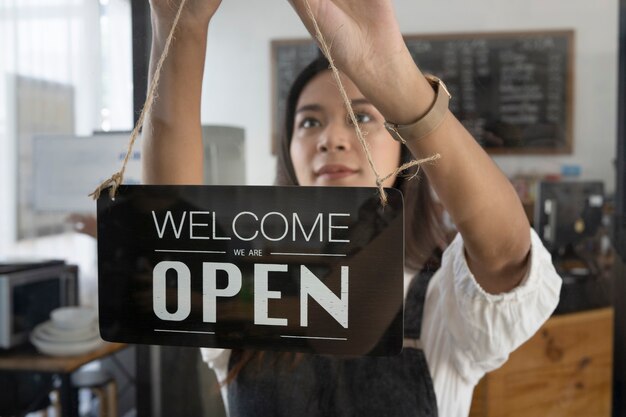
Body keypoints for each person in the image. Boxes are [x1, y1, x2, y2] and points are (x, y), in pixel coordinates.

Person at [143, 1, 561, 416]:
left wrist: (398, 80)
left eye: (361, 118)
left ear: (403, 148)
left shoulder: (440, 297)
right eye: (309, 122)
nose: (331, 139)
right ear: (288, 152)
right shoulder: (244, 285)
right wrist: (180, 25)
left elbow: (506, 255)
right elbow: (170, 225)